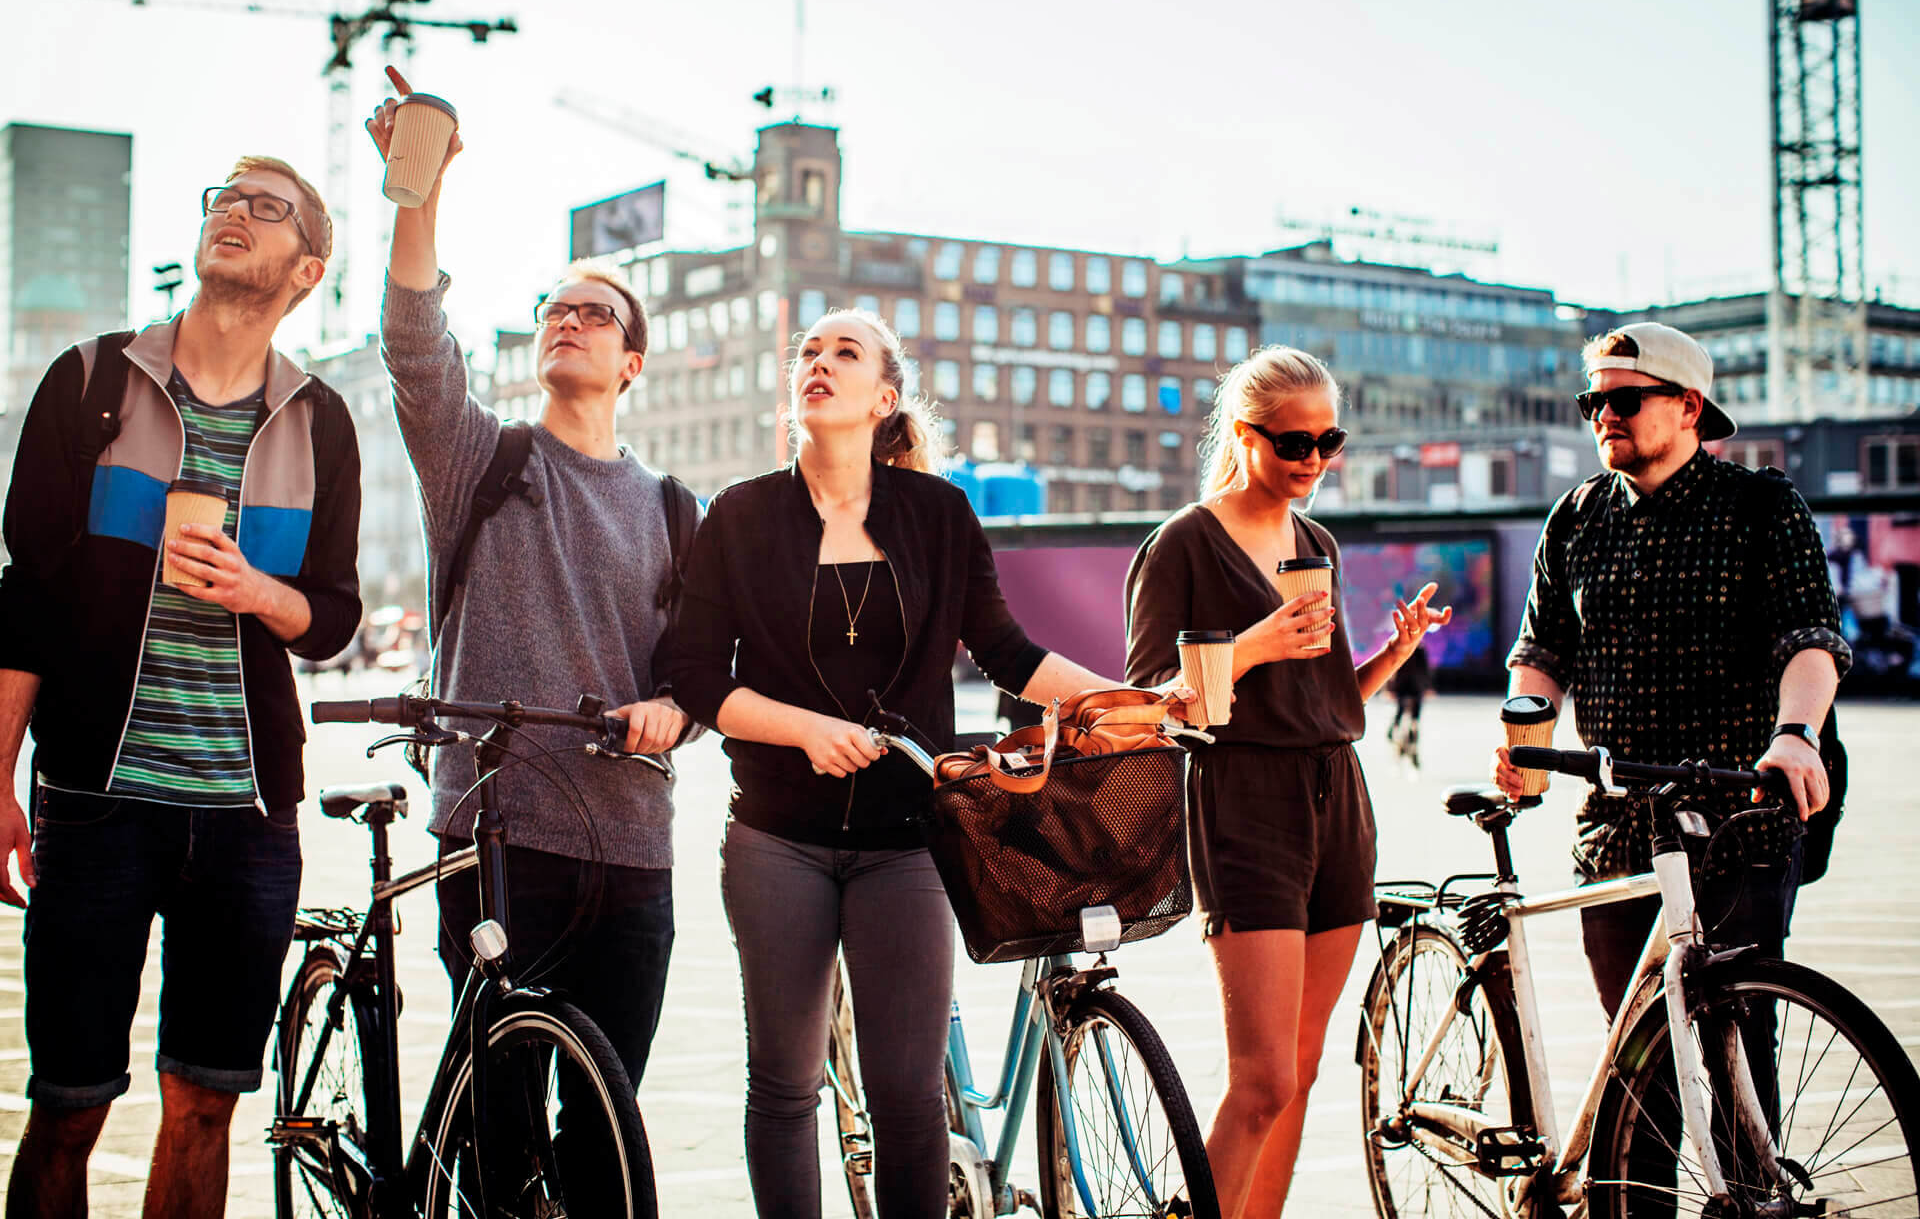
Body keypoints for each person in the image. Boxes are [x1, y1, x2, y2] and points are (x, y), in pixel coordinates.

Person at [665, 307, 1188, 1219]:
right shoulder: (740, 514)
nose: (819, 363)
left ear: (884, 399)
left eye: (846, 353)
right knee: (784, 1086)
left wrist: (1129, 701)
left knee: (908, 1098)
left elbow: (1007, 652)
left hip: (908, 840)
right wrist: (804, 730)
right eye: (809, 352)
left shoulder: (938, 515)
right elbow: (698, 677)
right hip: (775, 840)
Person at [0, 157, 362, 1217]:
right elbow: (26, 599)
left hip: (247, 815)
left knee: (205, 1105)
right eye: (225, 198)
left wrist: (258, 590)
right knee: (68, 1103)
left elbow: (331, 617)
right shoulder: (89, 381)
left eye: (267, 207)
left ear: (307, 268)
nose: (234, 213)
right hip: (95, 802)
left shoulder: (320, 419)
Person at [368, 69, 693, 1116]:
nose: (569, 322)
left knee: (605, 1126)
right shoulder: (481, 459)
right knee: (498, 1125)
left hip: (632, 847)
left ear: (631, 361)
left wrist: (675, 711)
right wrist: (421, 191)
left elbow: (700, 674)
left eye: (596, 314)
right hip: (495, 834)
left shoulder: (675, 507)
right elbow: (416, 345)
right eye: (554, 310)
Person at [1123, 346, 1449, 1219]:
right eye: (1293, 442)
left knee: (1300, 1071)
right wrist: (1255, 642)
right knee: (1261, 1079)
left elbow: (1326, 700)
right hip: (1242, 802)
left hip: (1338, 797)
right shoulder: (1184, 544)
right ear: (1244, 435)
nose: (1313, 459)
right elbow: (1150, 703)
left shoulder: (1317, 543)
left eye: (1327, 441)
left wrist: (1394, 653)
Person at [1494, 322, 1849, 1020]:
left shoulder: (1762, 507)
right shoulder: (1576, 517)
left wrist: (1796, 735)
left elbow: (1810, 639)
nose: (1604, 415)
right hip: (1615, 826)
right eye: (1592, 402)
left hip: (1735, 822)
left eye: (1624, 401)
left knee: (1740, 1039)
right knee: (1635, 1053)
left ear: (1689, 406)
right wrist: (1524, 743)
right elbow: (1542, 653)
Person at [1385, 640, 1432, 769]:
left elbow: (1424, 670)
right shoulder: (1404, 647)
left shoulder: (1418, 650)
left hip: (1412, 688)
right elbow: (1392, 668)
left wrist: (1427, 687)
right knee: (1403, 714)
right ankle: (1396, 732)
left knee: (1411, 717)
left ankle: (1405, 737)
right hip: (1406, 687)